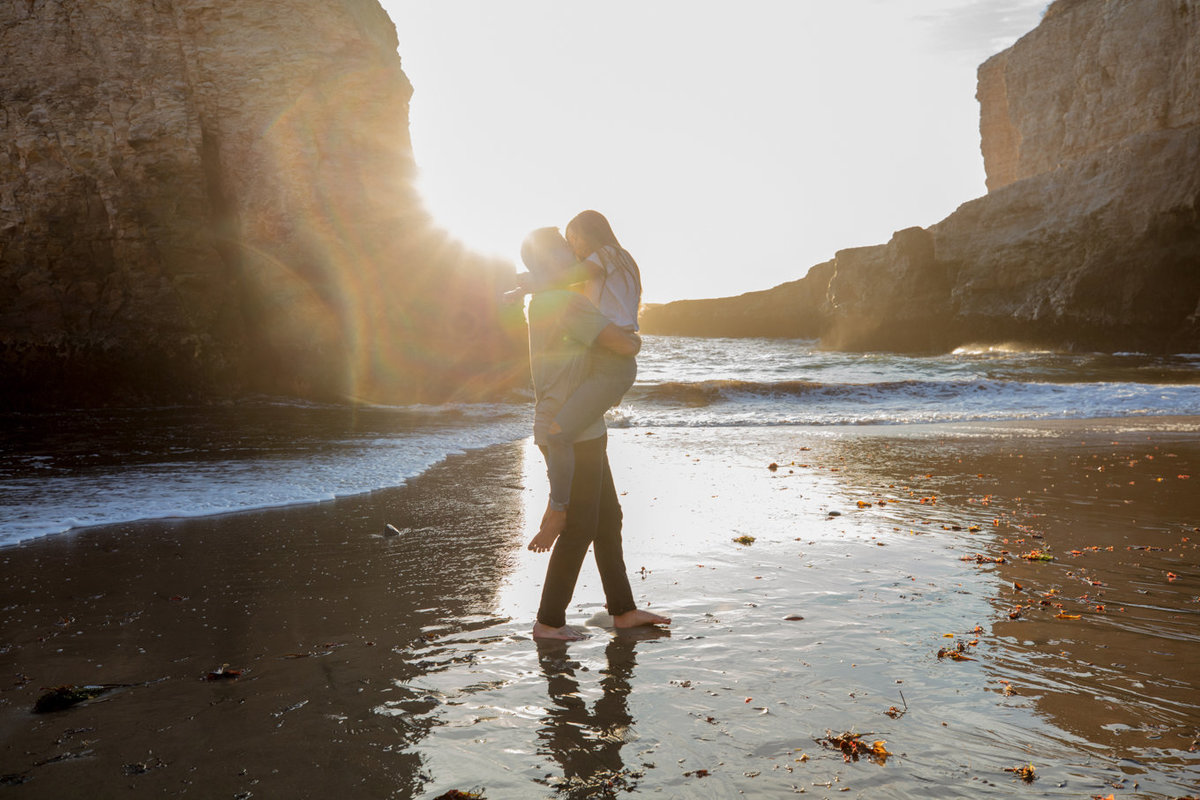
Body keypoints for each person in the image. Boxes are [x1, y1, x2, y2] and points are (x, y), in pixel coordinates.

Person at [520, 227, 669, 640]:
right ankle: (548, 622)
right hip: (569, 428)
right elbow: (623, 346)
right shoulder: (569, 304)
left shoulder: (543, 301)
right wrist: (632, 340)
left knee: (608, 520)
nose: (576, 256)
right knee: (581, 526)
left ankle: (622, 611)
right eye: (568, 251)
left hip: (582, 425)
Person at [528, 210, 643, 552]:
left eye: (573, 237)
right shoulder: (619, 262)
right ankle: (560, 507)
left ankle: (558, 508)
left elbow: (567, 277)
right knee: (605, 510)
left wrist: (532, 280)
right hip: (606, 356)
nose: (573, 245)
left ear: (590, 233)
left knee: (558, 432)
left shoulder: (606, 255)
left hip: (611, 355)